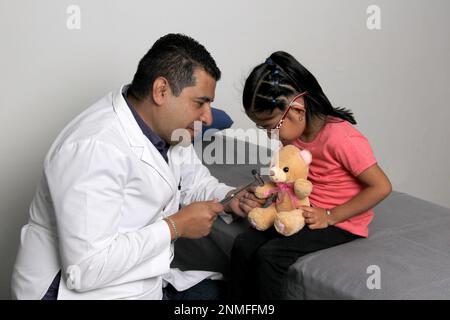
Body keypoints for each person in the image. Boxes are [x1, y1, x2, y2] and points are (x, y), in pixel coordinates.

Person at [11, 33, 264, 300]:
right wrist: (175, 226)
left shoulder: (173, 131)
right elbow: (85, 268)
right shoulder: (94, 148)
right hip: (76, 290)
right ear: (161, 91)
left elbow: (195, 183)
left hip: (137, 281)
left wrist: (229, 198)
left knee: (238, 294)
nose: (208, 116)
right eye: (200, 102)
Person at [229, 51, 392, 299]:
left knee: (270, 256)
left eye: (271, 127)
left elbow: (381, 186)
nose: (270, 136)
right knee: (243, 244)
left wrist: (330, 215)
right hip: (302, 209)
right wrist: (260, 189)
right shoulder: (294, 136)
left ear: (296, 110)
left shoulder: (341, 138)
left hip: (339, 220)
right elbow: (291, 173)